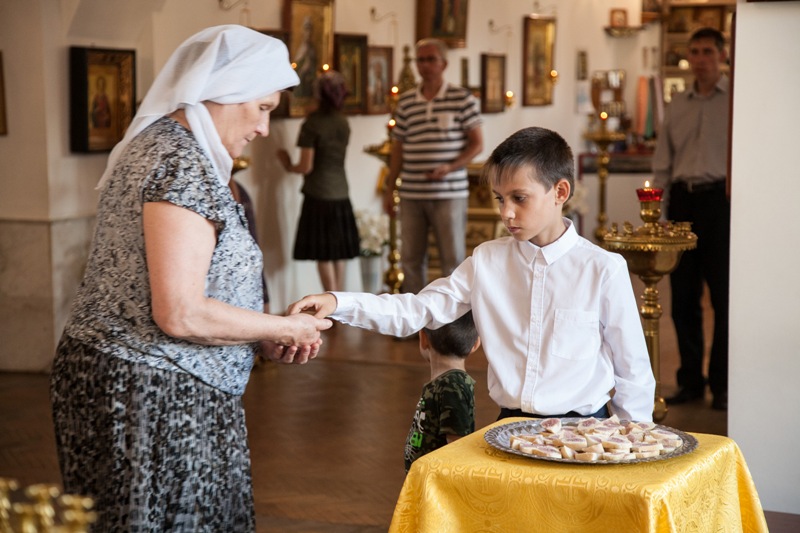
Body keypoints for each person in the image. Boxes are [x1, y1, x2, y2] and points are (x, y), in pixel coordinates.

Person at [50, 25, 332, 532]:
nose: (264, 128)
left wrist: (257, 334)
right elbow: (179, 312)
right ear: (226, 90)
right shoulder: (180, 163)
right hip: (151, 391)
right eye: (263, 108)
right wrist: (283, 327)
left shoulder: (164, 145)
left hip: (143, 380)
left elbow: (190, 290)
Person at [291, 127, 656, 424]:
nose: (506, 213)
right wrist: (337, 302)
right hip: (509, 428)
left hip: (584, 430)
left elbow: (633, 370)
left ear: (560, 191)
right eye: (500, 198)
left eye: (519, 198)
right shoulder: (486, 261)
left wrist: (632, 445)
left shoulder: (602, 269)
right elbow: (416, 310)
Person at [652, 27, 731, 411]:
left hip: (722, 202)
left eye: (707, 52)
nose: (700, 59)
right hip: (683, 203)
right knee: (683, 297)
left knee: (724, 296)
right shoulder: (677, 105)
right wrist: (659, 211)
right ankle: (691, 382)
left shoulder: (736, 101)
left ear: (722, 55)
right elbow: (662, 163)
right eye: (694, 52)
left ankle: (723, 384)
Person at [383, 38, 483, 295]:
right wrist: (390, 188)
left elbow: (477, 144)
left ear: (444, 64)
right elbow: (398, 148)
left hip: (449, 193)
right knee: (411, 259)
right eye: (420, 60)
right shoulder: (406, 102)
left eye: (430, 59)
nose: (424, 65)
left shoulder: (461, 98)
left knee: (452, 259)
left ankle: (454, 316)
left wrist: (450, 167)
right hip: (412, 193)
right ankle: (416, 316)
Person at [278, 70, 360, 292]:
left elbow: (306, 166)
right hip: (341, 192)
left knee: (323, 252)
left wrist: (287, 164)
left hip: (319, 193)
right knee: (338, 252)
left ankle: (330, 299)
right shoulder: (343, 122)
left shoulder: (312, 124)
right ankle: (340, 298)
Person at [404, 310, 480, 472]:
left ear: (423, 338)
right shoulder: (445, 383)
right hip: (425, 479)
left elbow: (457, 444)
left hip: (436, 481)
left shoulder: (453, 385)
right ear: (476, 344)